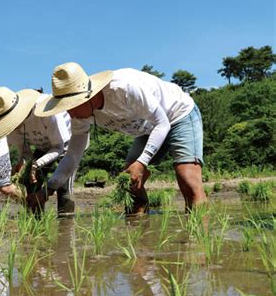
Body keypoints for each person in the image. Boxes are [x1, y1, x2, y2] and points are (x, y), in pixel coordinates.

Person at [29, 62, 207, 214]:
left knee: (187, 178)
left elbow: (162, 123)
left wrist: (142, 161)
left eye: (71, 106)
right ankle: (140, 230)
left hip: (178, 115)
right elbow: (72, 156)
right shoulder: (79, 116)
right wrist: (47, 190)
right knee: (130, 184)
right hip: (147, 130)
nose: (70, 112)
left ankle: (198, 243)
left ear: (86, 97)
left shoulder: (124, 89)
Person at [0, 86, 74, 215]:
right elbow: (24, 152)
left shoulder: (45, 110)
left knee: (63, 188)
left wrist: (37, 164)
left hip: (68, 144)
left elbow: (59, 147)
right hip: (43, 146)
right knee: (30, 183)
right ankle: (35, 222)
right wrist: (23, 168)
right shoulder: (11, 126)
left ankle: (66, 227)